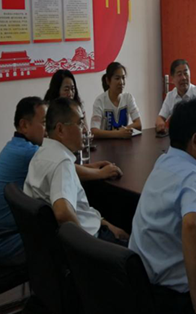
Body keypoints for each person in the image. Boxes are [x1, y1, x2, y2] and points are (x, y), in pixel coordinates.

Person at [130, 99, 196, 314]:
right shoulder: (191, 175)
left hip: (141, 288)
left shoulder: (165, 161)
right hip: (171, 299)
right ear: (195, 140)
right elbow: (193, 225)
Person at [24, 98, 128, 244]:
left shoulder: (41, 154)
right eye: (79, 123)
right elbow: (62, 212)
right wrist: (87, 246)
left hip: (57, 239)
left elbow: (79, 211)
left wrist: (106, 224)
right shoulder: (62, 163)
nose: (85, 129)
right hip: (90, 242)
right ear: (60, 130)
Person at [0, 97, 47, 265]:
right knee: (65, 231)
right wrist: (99, 172)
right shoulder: (27, 152)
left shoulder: (14, 145)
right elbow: (64, 167)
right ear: (24, 125)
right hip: (8, 244)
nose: (47, 129)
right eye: (44, 123)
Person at [91, 62, 141, 139]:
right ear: (108, 81)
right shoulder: (100, 101)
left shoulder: (128, 97)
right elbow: (94, 131)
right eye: (117, 78)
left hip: (124, 143)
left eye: (123, 78)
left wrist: (123, 131)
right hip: (105, 144)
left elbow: (138, 124)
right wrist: (118, 133)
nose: (121, 82)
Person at [156, 59, 196, 134]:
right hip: (178, 137)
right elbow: (160, 117)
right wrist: (160, 124)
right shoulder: (170, 96)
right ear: (172, 79)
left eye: (186, 73)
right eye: (179, 74)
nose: (183, 78)